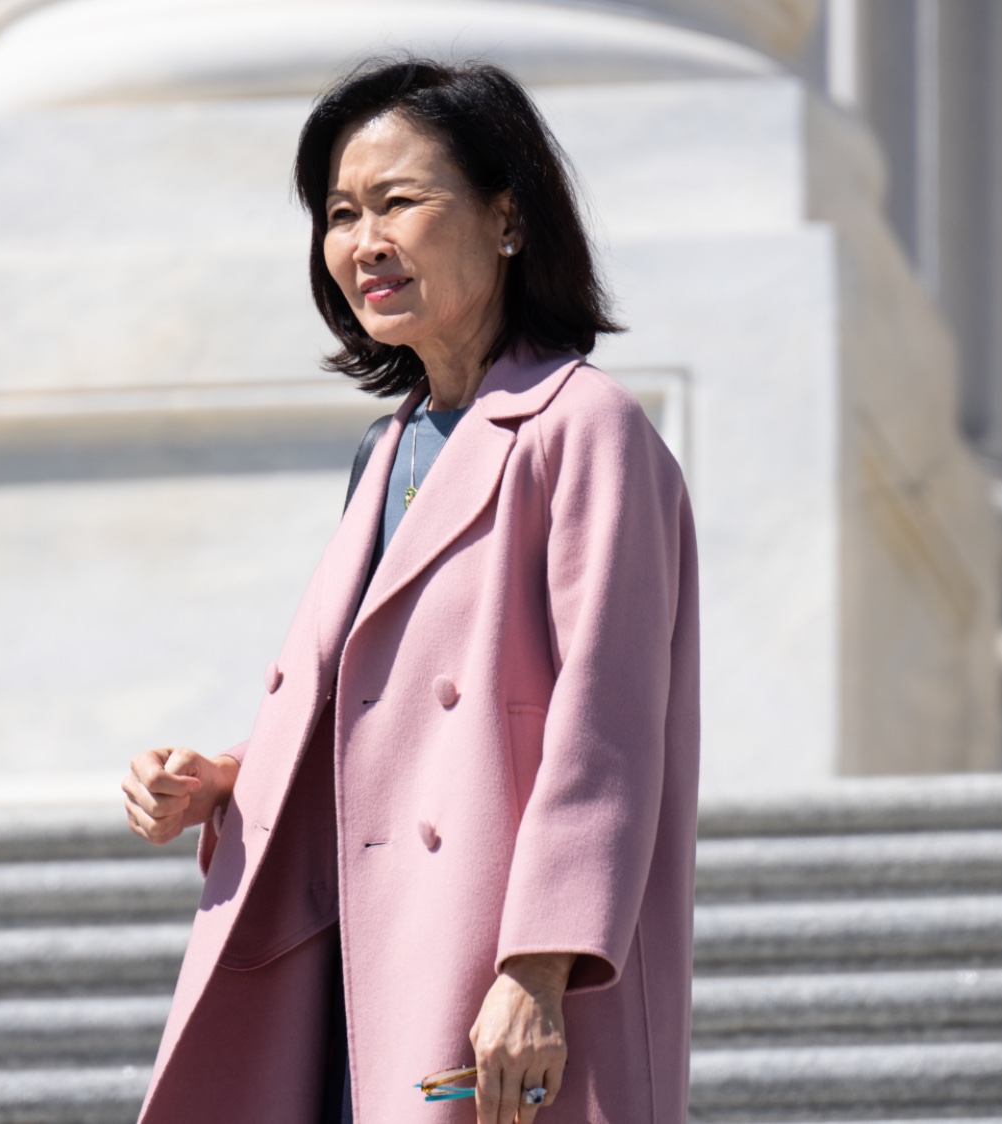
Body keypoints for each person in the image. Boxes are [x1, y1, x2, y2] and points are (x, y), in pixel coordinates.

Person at [121, 56, 698, 1124]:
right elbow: (376, 715)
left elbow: (606, 726)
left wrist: (535, 966)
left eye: (397, 201)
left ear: (505, 217)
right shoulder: (384, 452)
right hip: (359, 958)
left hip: (496, 965)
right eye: (339, 212)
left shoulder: (586, 430)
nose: (361, 241)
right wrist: (226, 775)